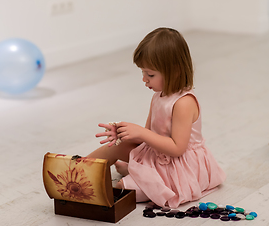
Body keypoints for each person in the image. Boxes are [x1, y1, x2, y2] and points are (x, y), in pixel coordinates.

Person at [87, 27, 226, 208]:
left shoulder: (184, 103)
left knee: (125, 188)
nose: (144, 79)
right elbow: (148, 137)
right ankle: (77, 168)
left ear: (174, 71)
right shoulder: (158, 96)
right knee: (113, 148)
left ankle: (134, 175)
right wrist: (125, 133)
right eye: (143, 72)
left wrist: (141, 134)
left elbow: (177, 149)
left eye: (150, 74)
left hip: (178, 166)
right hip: (157, 154)